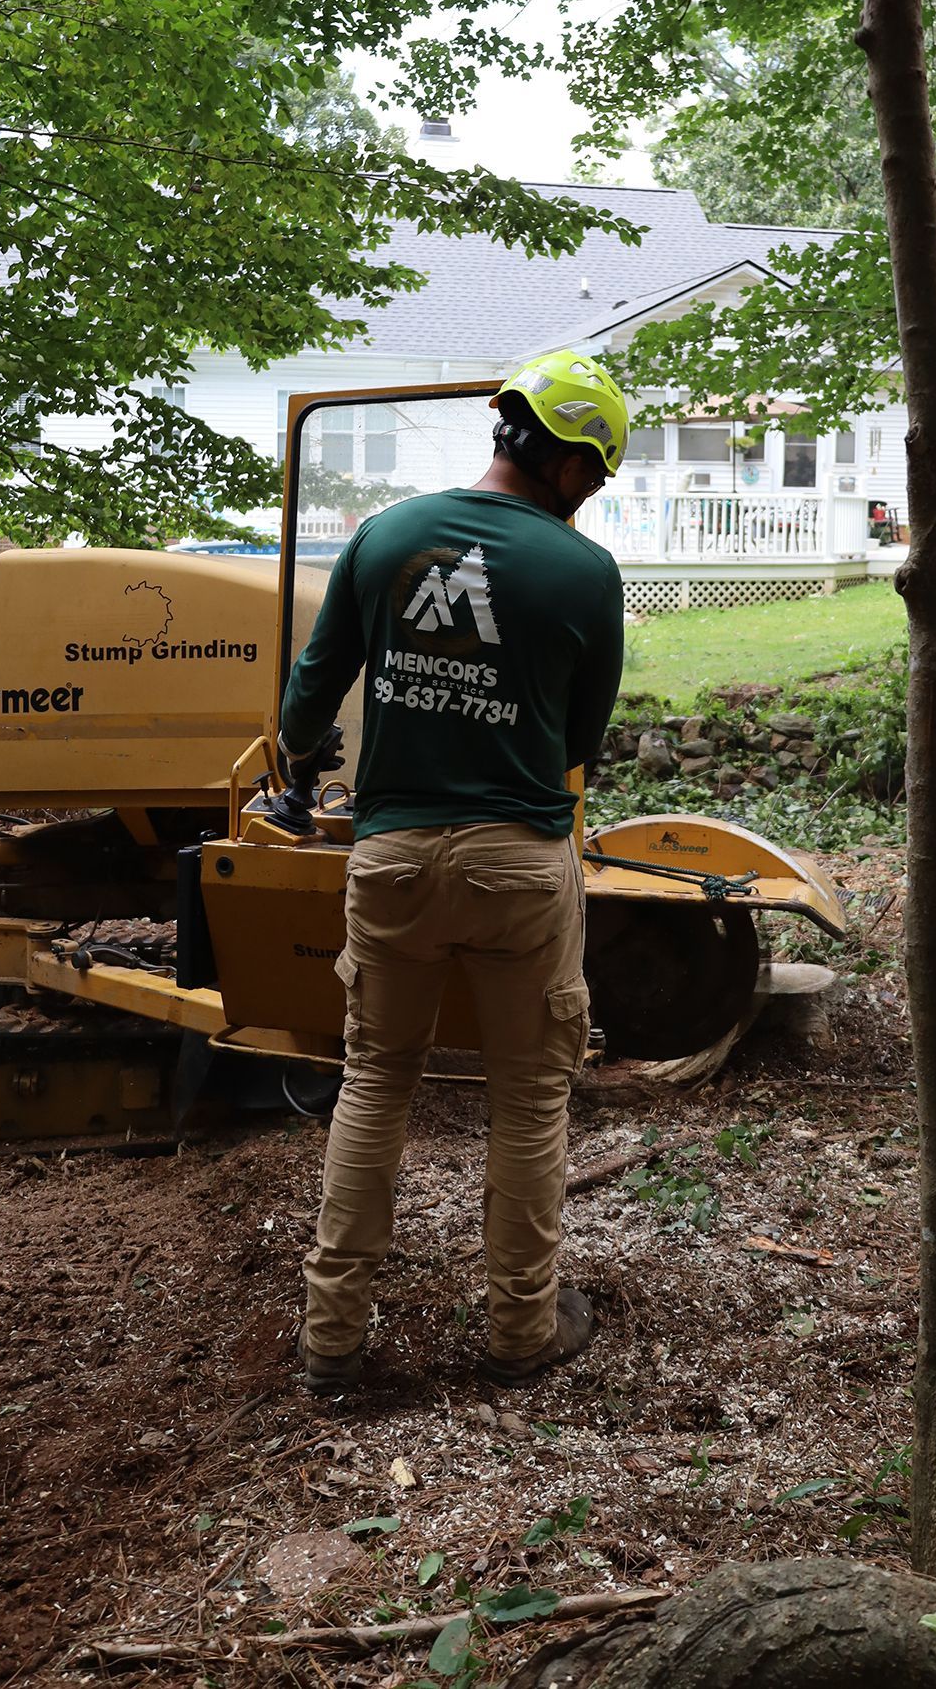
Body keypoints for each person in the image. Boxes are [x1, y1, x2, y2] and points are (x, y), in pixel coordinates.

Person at [279, 350, 629, 1393]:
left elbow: (311, 691)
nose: (595, 494)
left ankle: (331, 1339)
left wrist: (307, 752)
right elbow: (580, 740)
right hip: (519, 864)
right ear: (568, 464)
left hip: (387, 858)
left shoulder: (385, 536)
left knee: (376, 1082)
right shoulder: (582, 572)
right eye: (598, 473)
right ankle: (523, 1333)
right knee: (528, 1099)